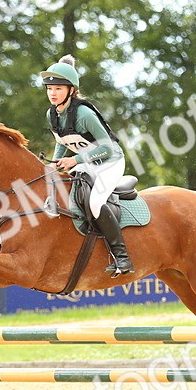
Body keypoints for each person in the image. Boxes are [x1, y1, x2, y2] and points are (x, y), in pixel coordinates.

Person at [40, 54, 135, 276]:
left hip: (110, 162)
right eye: (49, 89)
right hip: (88, 163)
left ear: (71, 90)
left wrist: (75, 160)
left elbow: (108, 148)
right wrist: (54, 165)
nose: (53, 93)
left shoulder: (83, 113)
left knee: (94, 203)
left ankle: (123, 258)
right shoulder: (52, 114)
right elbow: (63, 143)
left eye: (59, 89)